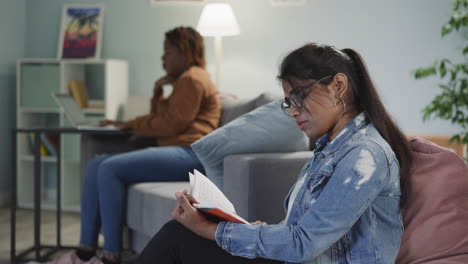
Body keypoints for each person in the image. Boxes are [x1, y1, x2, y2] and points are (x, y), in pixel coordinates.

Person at [135, 43, 413, 264]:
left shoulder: (364, 156)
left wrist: (211, 230)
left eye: (297, 97)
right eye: (287, 103)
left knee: (179, 238)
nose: (292, 111)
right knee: (180, 236)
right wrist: (246, 228)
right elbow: (302, 234)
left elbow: (304, 243)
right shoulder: (331, 150)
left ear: (338, 85)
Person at [53, 26, 221, 264]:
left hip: (191, 154)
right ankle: (85, 250)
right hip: (180, 149)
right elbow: (164, 118)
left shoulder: (192, 79)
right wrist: (157, 92)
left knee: (109, 168)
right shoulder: (185, 80)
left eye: (168, 52)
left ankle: (111, 254)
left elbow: (169, 125)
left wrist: (128, 124)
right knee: (96, 164)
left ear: (185, 53)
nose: (163, 58)